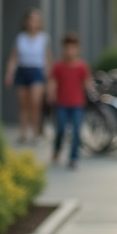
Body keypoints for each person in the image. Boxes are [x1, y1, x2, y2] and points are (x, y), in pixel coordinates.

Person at [3, 8, 50, 143]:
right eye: (30, 19)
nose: (32, 23)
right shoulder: (21, 38)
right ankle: (23, 133)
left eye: (35, 20)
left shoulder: (44, 38)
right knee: (23, 105)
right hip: (22, 71)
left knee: (35, 103)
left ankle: (36, 134)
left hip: (37, 71)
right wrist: (9, 74)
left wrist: (49, 79)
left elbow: (47, 59)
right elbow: (14, 58)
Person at [47, 32, 93, 169]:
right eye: (67, 48)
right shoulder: (58, 66)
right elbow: (53, 82)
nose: (70, 51)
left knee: (77, 130)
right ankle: (57, 149)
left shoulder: (82, 66)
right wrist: (50, 94)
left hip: (77, 104)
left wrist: (92, 93)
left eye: (73, 48)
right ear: (63, 49)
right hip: (62, 104)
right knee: (60, 129)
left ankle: (74, 157)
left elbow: (87, 82)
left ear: (78, 49)